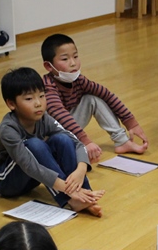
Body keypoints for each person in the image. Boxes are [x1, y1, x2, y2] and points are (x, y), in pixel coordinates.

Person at [0, 68, 105, 216]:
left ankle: (85, 195)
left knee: (62, 139)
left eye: (42, 96)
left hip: (32, 177)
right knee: (34, 144)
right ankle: (71, 199)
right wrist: (68, 189)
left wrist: (81, 170)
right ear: (11, 104)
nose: (38, 103)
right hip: (4, 180)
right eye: (29, 99)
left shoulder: (44, 118)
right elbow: (29, 166)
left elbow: (77, 143)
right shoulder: (8, 129)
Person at [41, 33, 148, 163]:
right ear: (48, 66)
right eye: (65, 59)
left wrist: (131, 123)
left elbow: (106, 94)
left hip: (68, 130)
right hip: (51, 136)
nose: (73, 63)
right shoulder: (48, 87)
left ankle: (122, 141)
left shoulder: (79, 80)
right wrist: (85, 141)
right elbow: (59, 115)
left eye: (75, 56)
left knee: (93, 99)